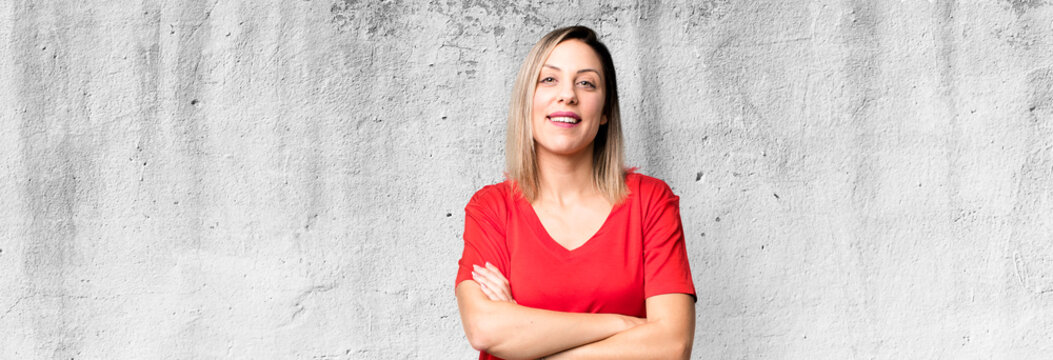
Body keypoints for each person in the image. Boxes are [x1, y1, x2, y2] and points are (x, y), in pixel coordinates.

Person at [455, 25, 696, 360]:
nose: (568, 94)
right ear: (528, 100)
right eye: (549, 79)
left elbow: (672, 345)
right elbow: (484, 328)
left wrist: (526, 337)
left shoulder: (650, 202)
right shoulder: (491, 208)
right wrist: (623, 325)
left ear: (606, 110)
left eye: (586, 82)